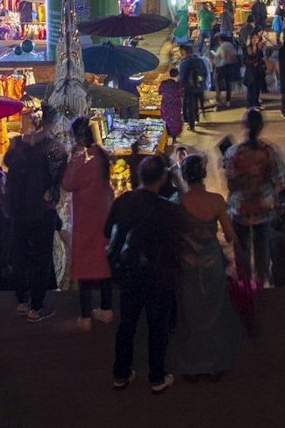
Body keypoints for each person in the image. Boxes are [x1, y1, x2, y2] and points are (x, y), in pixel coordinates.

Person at [104, 155, 182, 394]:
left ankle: (121, 373)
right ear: (162, 178)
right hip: (158, 273)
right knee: (157, 325)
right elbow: (175, 243)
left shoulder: (124, 201)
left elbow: (108, 231)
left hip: (128, 270)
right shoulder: (168, 209)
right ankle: (156, 376)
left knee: (127, 323)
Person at [172, 153, 241, 380]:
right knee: (213, 312)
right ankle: (214, 363)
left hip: (186, 262)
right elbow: (230, 235)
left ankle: (191, 364)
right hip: (211, 261)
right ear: (203, 175)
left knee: (189, 313)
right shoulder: (216, 201)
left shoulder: (177, 202)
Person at [62, 117, 117, 329]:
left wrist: (72, 157)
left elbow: (68, 183)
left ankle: (85, 316)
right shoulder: (100, 156)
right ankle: (106, 308)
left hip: (86, 218)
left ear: (80, 137)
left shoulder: (83, 161)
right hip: (102, 216)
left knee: (84, 266)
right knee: (102, 263)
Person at [221, 107, 285, 287]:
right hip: (264, 208)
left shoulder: (233, 153)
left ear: (244, 126)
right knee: (262, 247)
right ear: (261, 126)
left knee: (241, 249)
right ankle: (261, 281)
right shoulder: (269, 151)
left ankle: (245, 285)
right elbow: (279, 179)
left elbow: (231, 184)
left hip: (240, 209)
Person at [3, 128, 60, 322]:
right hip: (42, 212)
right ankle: (36, 307)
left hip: (18, 212)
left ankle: (21, 301)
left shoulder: (17, 152)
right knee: (41, 259)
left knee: (21, 257)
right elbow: (59, 175)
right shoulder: (46, 152)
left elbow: (6, 163)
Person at [178, 45, 208, 131]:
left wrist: (180, 87)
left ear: (184, 52)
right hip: (199, 87)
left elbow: (182, 77)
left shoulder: (183, 62)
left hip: (188, 88)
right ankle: (197, 118)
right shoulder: (200, 61)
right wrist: (201, 84)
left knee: (189, 106)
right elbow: (205, 73)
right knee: (196, 104)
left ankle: (191, 125)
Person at [159, 66, 185, 142]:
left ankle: (165, 139)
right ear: (177, 75)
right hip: (175, 106)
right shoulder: (178, 85)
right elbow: (181, 94)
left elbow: (160, 92)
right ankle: (174, 139)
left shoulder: (163, 83)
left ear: (169, 74)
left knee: (166, 120)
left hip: (165, 105)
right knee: (174, 122)